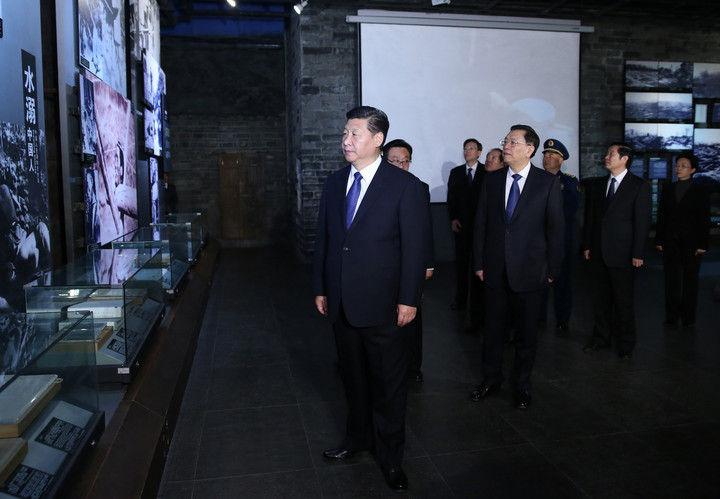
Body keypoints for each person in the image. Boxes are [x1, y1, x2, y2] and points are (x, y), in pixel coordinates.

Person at [313, 106, 431, 491]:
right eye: (345, 133)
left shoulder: (406, 186)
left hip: (385, 306)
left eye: (355, 134)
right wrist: (321, 287)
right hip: (341, 303)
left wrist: (409, 299)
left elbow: (415, 248)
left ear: (377, 139)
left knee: (388, 386)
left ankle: (391, 458)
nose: (346, 141)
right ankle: (356, 439)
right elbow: (326, 240)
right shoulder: (335, 183)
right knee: (353, 379)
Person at [471, 125, 564, 409]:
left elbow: (556, 229)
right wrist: (479, 262)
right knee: (492, 332)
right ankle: (490, 380)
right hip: (495, 270)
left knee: (526, 335)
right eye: (506, 141)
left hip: (531, 272)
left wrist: (553, 270)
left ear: (530, 149)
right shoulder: (492, 180)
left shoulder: (546, 183)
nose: (506, 146)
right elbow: (481, 224)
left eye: (513, 142)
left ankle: (521, 385)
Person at [581, 143, 651, 359]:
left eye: (611, 154)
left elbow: (642, 222)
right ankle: (601, 338)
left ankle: (626, 345)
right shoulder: (599, 185)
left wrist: (638, 253)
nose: (606, 157)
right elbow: (591, 218)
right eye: (607, 153)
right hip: (598, 252)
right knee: (600, 300)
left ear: (624, 159)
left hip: (623, 254)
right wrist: (587, 245)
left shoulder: (638, 185)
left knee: (623, 302)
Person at [383, 139, 435, 383]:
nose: (401, 166)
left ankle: (413, 367)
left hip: (411, 265)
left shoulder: (419, 187)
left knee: (412, 317)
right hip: (383, 267)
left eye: (405, 161)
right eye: (395, 161)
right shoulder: (374, 187)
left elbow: (426, 230)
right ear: (384, 161)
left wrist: (428, 263)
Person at [655, 153, 710, 328]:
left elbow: (704, 219)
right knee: (671, 280)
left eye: (683, 166)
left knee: (690, 281)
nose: (678, 168)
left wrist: (702, 244)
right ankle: (671, 317)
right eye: (677, 165)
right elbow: (662, 216)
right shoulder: (668, 189)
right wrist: (659, 239)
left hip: (692, 244)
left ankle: (688, 318)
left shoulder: (700, 191)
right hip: (670, 242)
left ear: (693, 170)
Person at [539, 139, 580, 335]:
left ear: (561, 160)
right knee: (538, 282)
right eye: (545, 154)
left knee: (562, 282)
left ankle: (562, 319)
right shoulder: (535, 179)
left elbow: (569, 211)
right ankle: (538, 317)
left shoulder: (569, 182)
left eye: (552, 155)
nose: (547, 158)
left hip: (561, 240)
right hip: (538, 241)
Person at [447, 138, 485, 330]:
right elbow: (451, 198)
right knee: (461, 265)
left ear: (479, 152)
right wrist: (453, 218)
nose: (467, 151)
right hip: (461, 227)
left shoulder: (487, 171)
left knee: (479, 265)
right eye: (465, 148)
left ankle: (479, 302)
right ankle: (460, 299)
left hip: (481, 228)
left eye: (471, 148)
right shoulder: (456, 172)